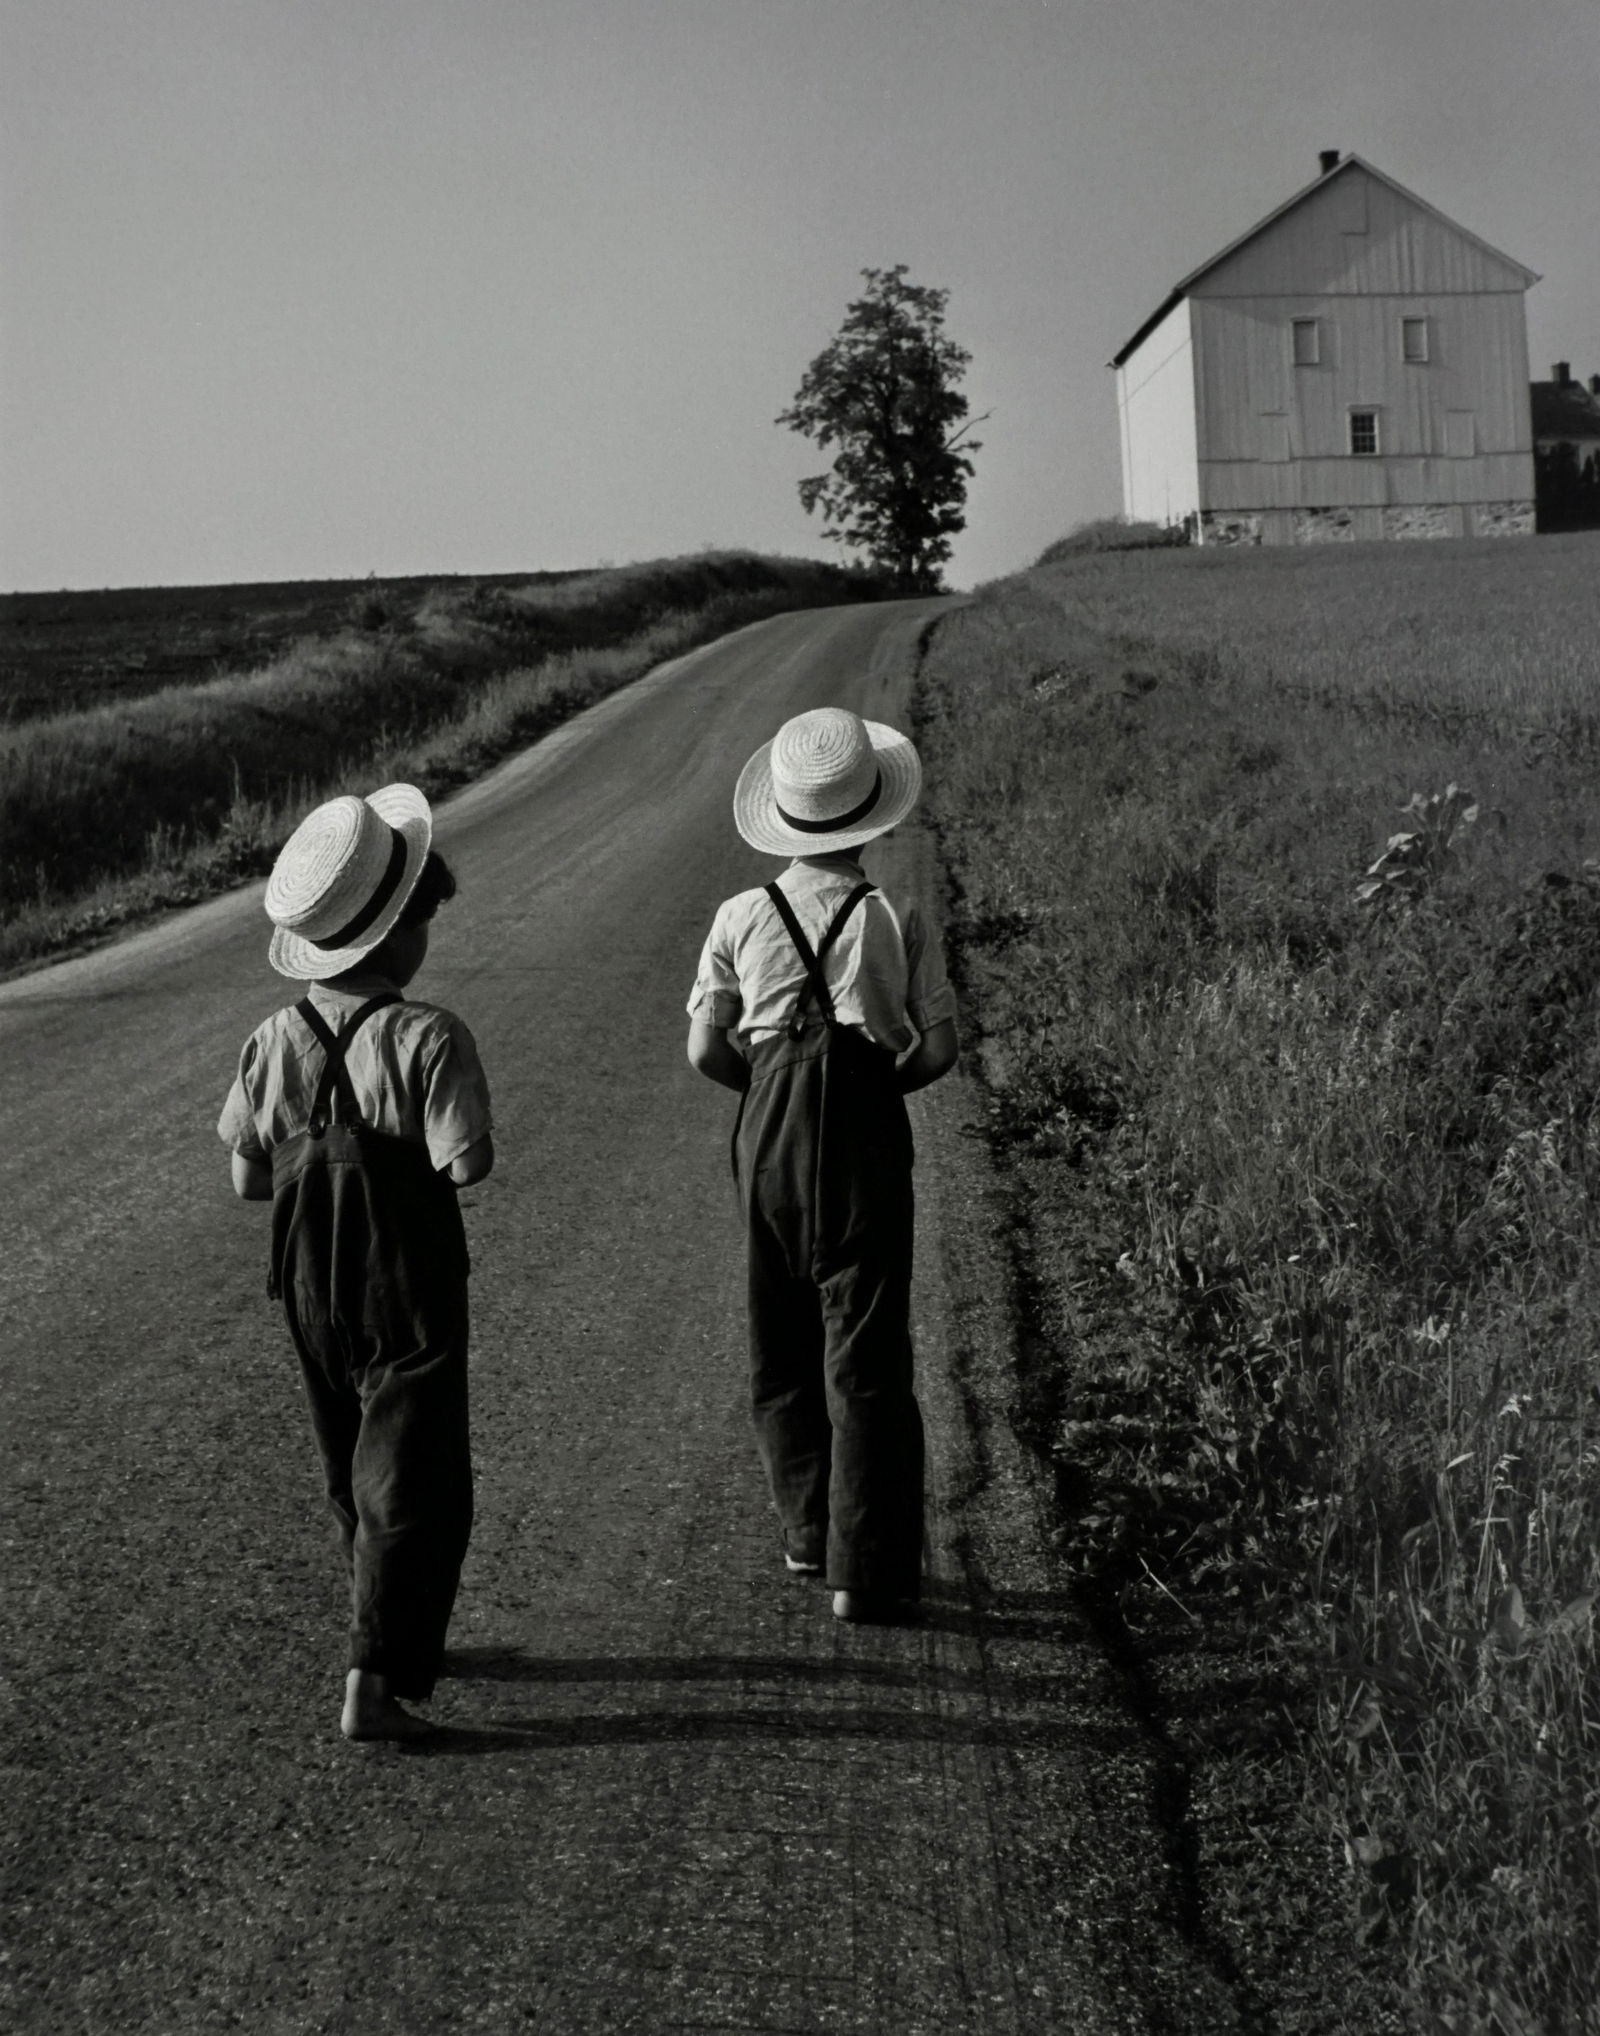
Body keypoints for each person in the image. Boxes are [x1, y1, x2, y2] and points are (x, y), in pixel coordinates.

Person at [218, 785, 493, 1741]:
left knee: (349, 1468)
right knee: (414, 1476)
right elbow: (468, 1163)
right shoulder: (429, 1036)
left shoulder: (269, 1041)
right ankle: (375, 1686)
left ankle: (385, 1624)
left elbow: (249, 1180)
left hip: (308, 1283)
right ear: (397, 935)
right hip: (404, 1281)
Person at [686, 705, 958, 1622]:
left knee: (781, 1334)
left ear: (787, 816)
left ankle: (805, 1530)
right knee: (869, 1346)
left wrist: (769, 1095)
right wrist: (880, 1094)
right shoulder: (896, 911)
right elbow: (940, 1049)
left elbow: (704, 1050)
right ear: (873, 814)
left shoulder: (737, 913)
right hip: (867, 1132)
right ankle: (864, 1566)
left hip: (767, 1131)